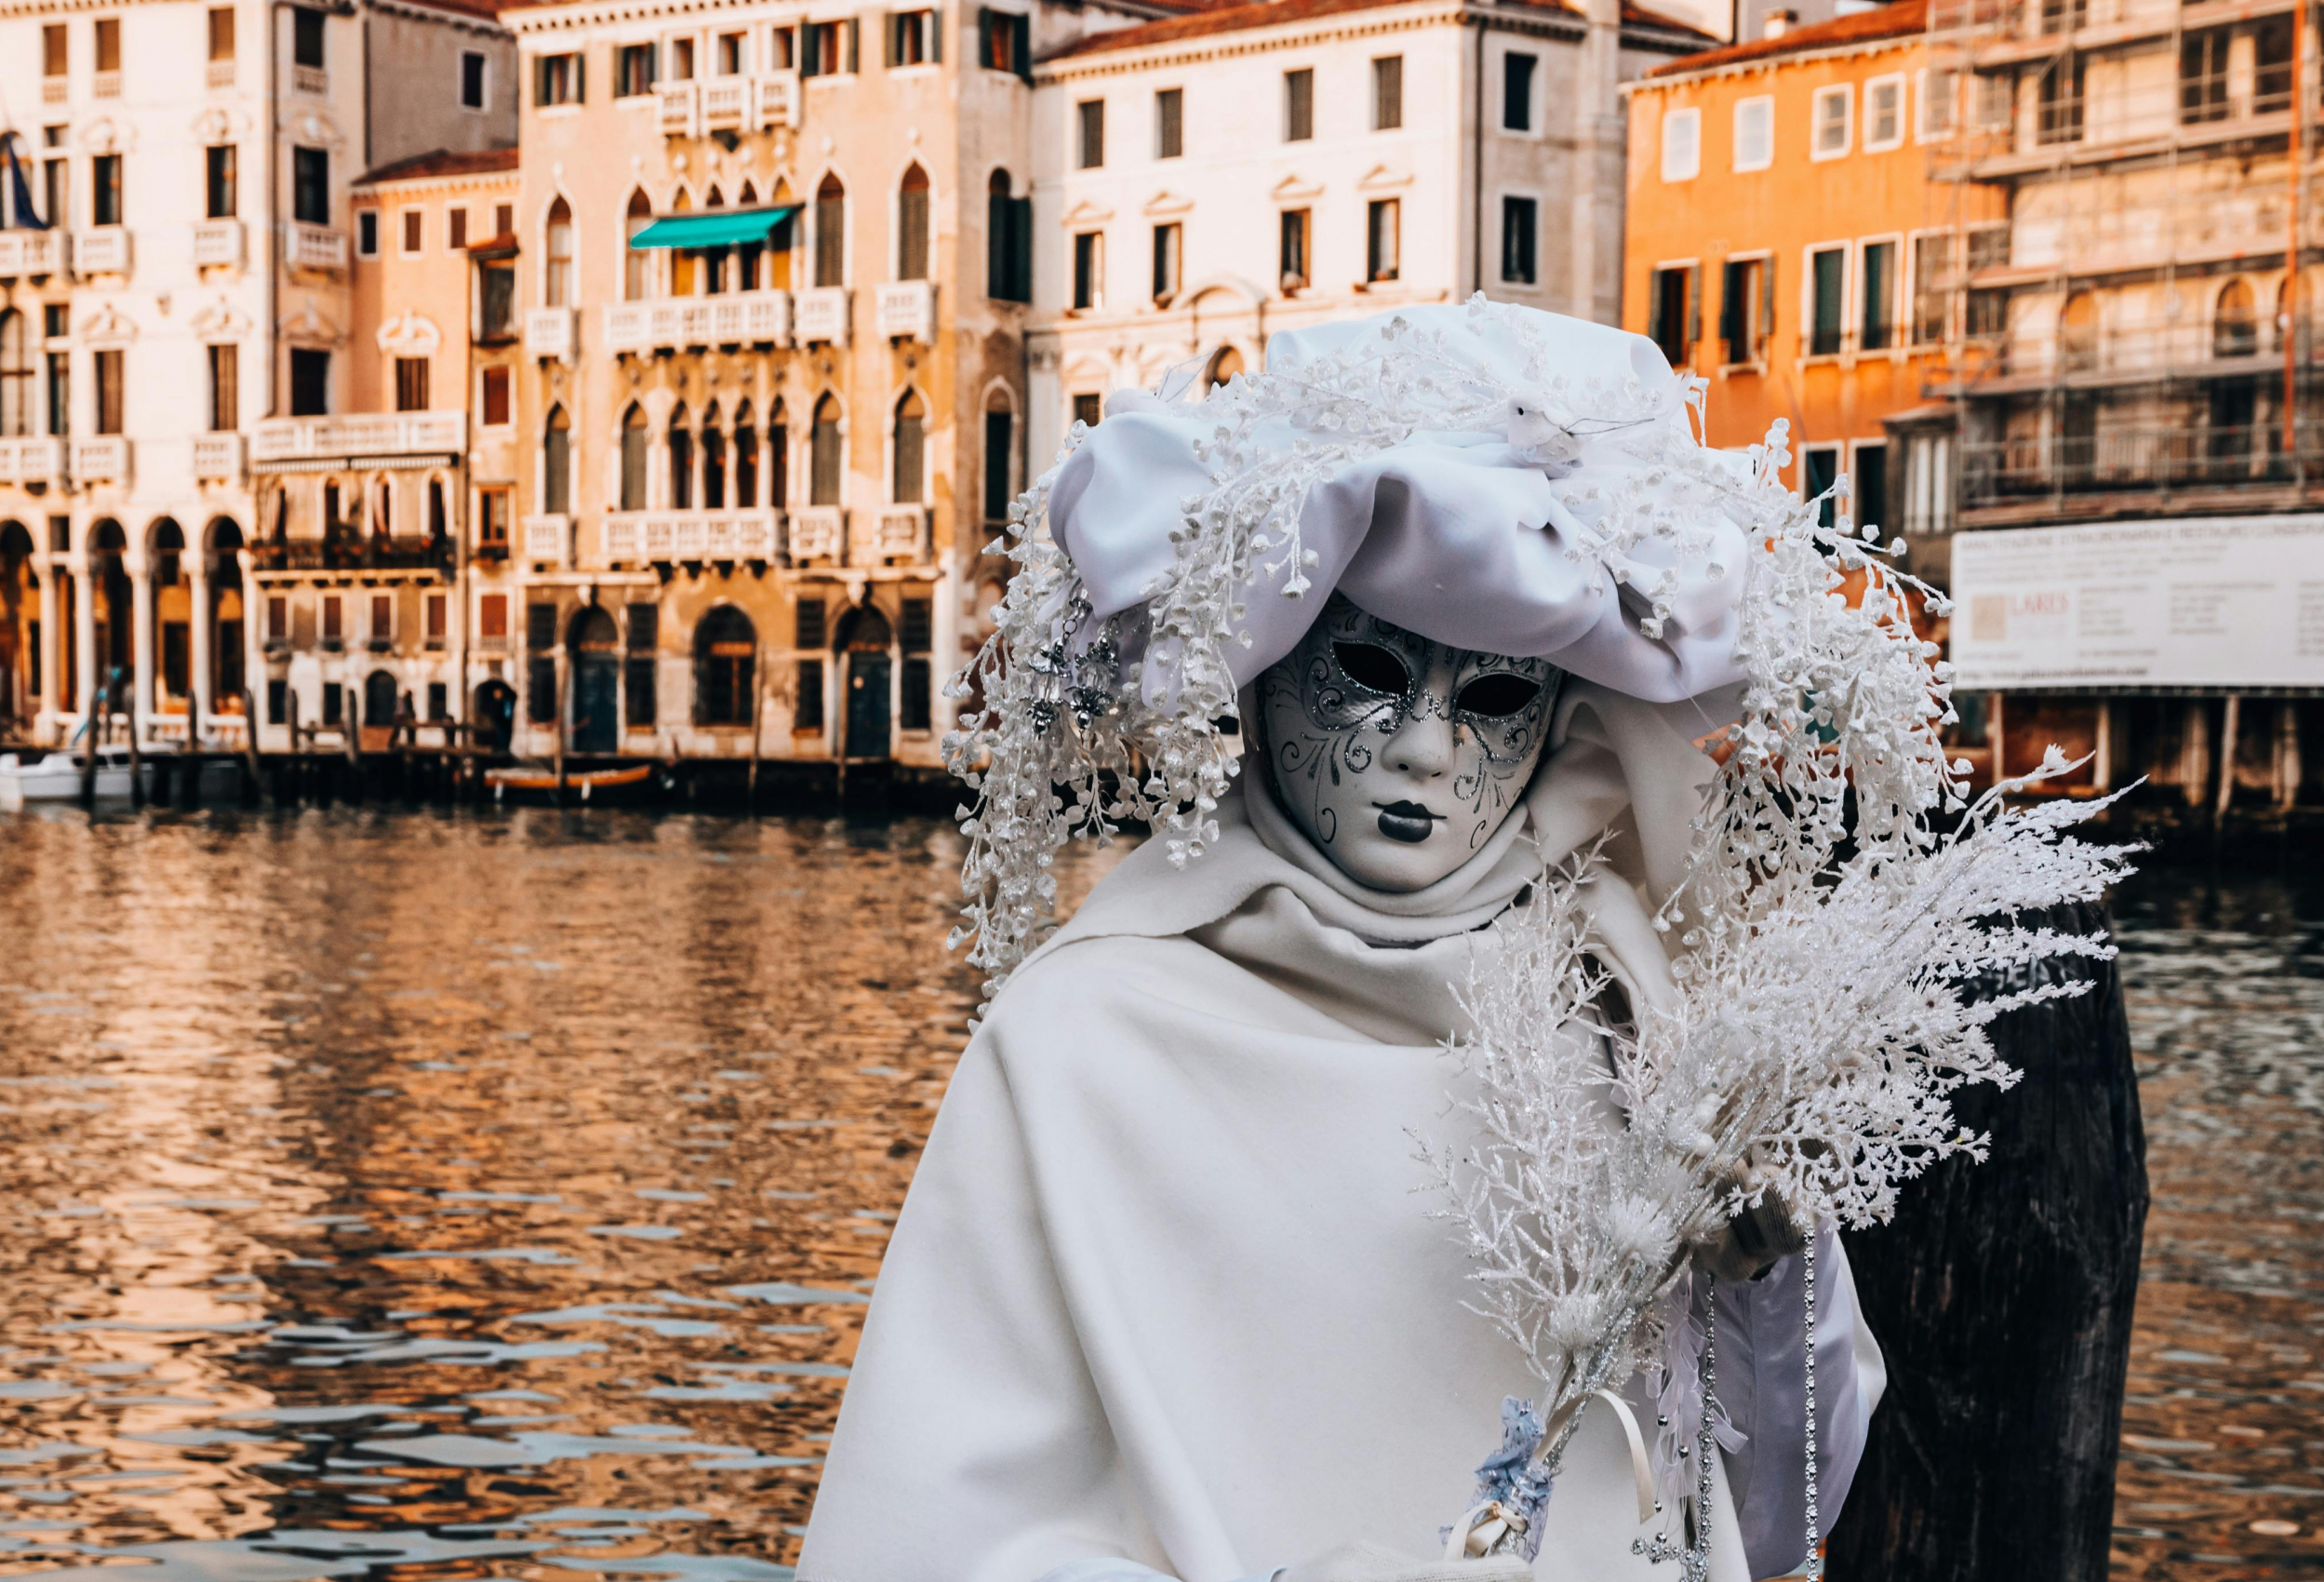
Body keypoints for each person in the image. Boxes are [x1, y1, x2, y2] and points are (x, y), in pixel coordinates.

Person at [798, 303, 1883, 1582]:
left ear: (1559, 721)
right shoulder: (1079, 1044)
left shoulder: (1636, 1026)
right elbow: (939, 1542)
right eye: (1367, 672)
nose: (1425, 749)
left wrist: (1770, 1285)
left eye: (1488, 697)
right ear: (1259, 676)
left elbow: (1762, 1517)